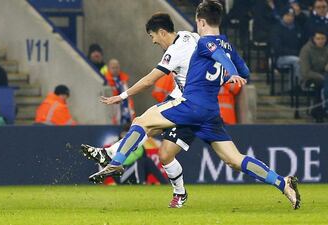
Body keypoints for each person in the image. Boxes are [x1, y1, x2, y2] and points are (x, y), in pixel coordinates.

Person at [87, 1, 300, 210]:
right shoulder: (228, 45)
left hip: (191, 106)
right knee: (234, 159)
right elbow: (245, 72)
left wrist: (230, 72)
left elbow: (216, 54)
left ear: (200, 21)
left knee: (142, 121)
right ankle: (283, 182)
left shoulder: (203, 42)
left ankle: (116, 161)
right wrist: (228, 75)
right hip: (210, 112)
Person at [81, 12, 201, 208]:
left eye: (152, 36)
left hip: (189, 105)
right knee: (163, 153)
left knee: (141, 123)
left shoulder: (175, 51)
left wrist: (120, 96)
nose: (153, 41)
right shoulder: (190, 36)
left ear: (162, 32)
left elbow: (148, 81)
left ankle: (113, 157)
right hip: (184, 99)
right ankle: (111, 155)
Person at [270, 7, 304, 91]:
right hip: (280, 58)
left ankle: (305, 86)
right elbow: (277, 48)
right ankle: (294, 87)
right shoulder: (276, 29)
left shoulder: (297, 28)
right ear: (283, 16)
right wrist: (294, 53)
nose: (290, 17)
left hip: (297, 55)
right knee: (297, 61)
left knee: (302, 59)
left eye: (292, 15)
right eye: (287, 15)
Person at [299, 29, 328, 122]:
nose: (321, 41)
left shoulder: (327, 49)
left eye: (323, 38)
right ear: (314, 39)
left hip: (325, 76)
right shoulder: (306, 50)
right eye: (318, 38)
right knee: (321, 85)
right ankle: (319, 111)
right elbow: (305, 72)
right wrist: (323, 77)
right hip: (310, 78)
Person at [104, 59, 135, 125]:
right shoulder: (105, 79)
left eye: (117, 67)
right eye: (113, 68)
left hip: (125, 105)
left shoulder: (124, 78)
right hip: (113, 105)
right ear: (109, 68)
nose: (115, 70)